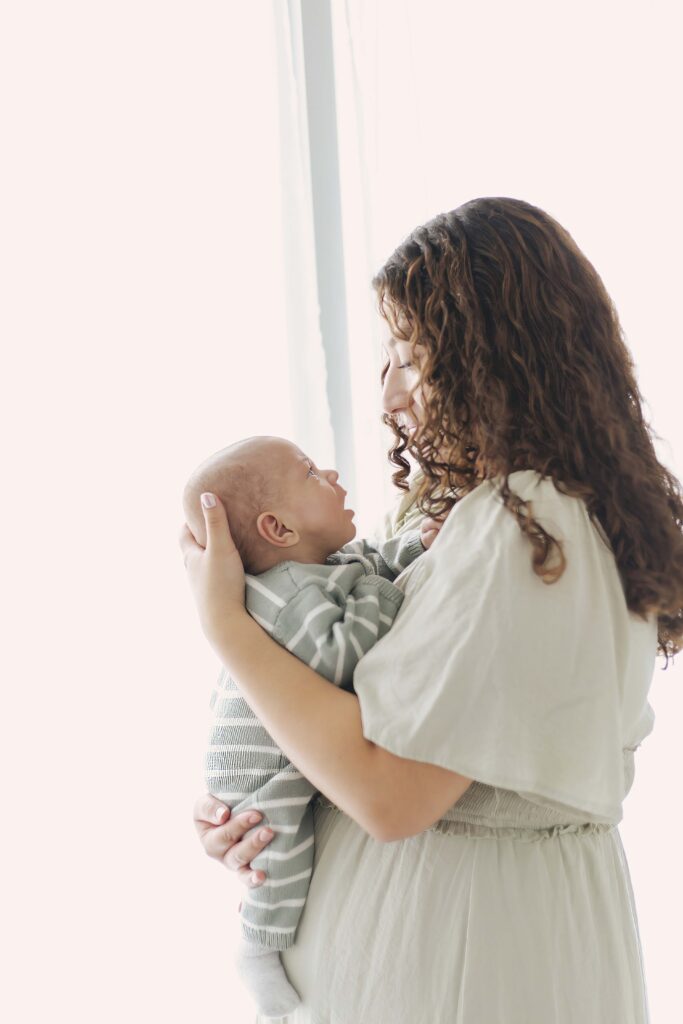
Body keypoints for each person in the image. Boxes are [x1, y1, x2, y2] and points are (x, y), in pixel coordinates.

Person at [180, 197, 683, 1023]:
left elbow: (389, 796)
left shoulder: (530, 526)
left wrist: (227, 627)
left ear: (499, 356)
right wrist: (252, 800)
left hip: (470, 949)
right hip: (429, 941)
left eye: (409, 358)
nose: (388, 400)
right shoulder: (453, 513)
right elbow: (325, 704)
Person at [182, 435, 443, 1017]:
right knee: (275, 856)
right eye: (310, 474)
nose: (330, 472)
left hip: (275, 749)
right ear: (278, 530)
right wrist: (386, 588)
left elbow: (368, 559)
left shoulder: (318, 568)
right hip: (256, 772)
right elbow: (346, 651)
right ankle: (256, 946)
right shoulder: (290, 596)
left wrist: (410, 548)